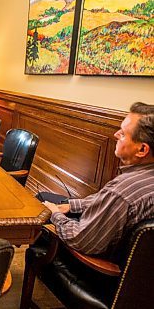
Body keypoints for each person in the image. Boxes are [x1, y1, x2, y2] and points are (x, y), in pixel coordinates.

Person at [42, 102, 154, 256]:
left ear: (142, 149)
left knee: (40, 208)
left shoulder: (122, 192)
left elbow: (81, 240)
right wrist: (71, 206)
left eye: (122, 134)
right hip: (141, 272)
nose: (115, 135)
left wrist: (55, 214)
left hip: (98, 266)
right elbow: (105, 202)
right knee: (46, 197)